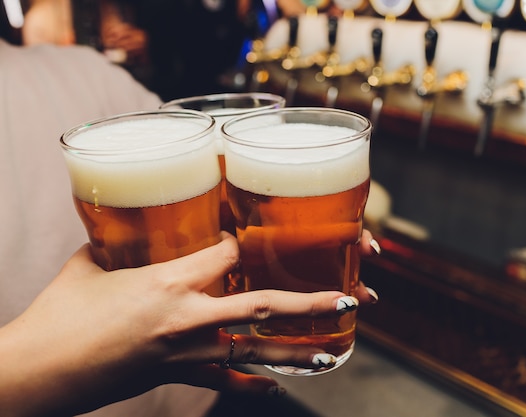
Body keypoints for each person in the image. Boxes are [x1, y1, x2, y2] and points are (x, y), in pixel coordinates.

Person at [0, 7, 380, 417]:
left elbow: (216, 159)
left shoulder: (76, 69)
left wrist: (293, 243)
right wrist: (43, 363)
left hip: (201, 388)